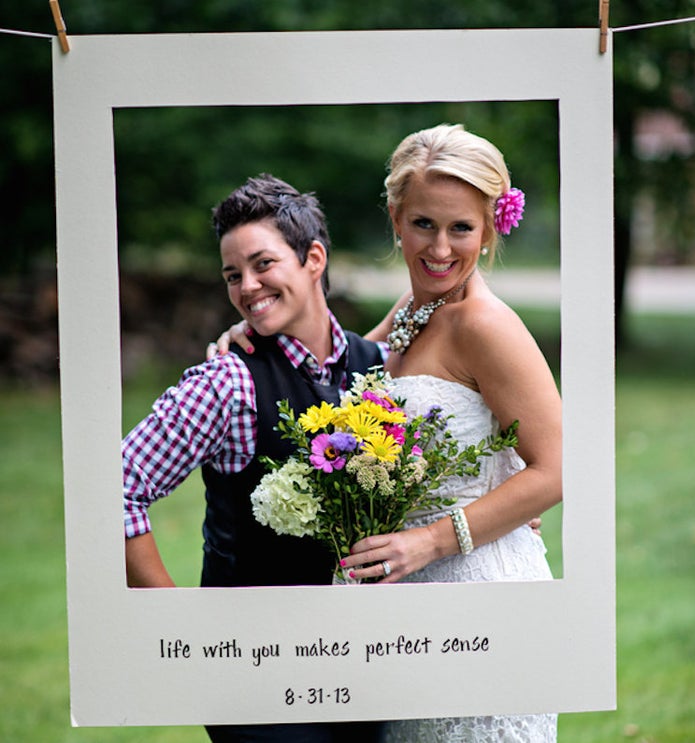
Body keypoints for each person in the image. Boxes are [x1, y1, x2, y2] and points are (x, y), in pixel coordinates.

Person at [219, 124, 561, 742]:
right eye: (424, 224)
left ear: (488, 231)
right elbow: (344, 363)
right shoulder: (414, 309)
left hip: (477, 598)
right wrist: (254, 330)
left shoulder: (486, 325)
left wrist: (432, 540)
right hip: (403, 616)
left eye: (462, 227)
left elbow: (558, 469)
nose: (440, 248)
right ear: (396, 219)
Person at [122, 174, 386, 743]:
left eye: (263, 264)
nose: (246, 286)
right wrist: (179, 626)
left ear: (313, 258)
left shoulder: (380, 368)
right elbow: (114, 487)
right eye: (232, 275)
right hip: (256, 679)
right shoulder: (225, 382)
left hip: (366, 666)